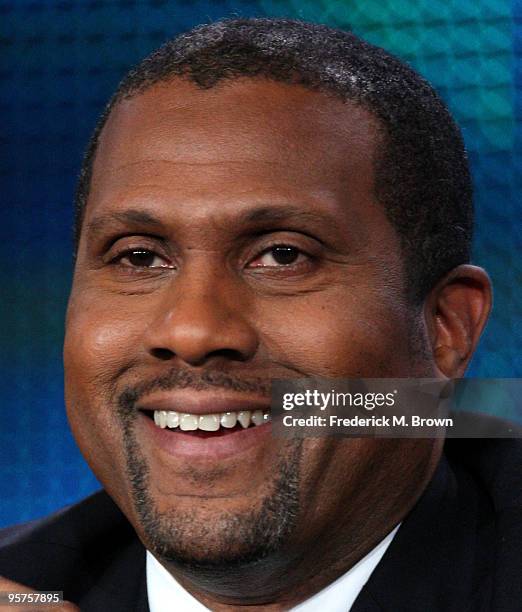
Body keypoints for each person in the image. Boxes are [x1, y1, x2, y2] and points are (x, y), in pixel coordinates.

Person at [0, 17, 519, 612]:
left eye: (283, 255)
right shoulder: (26, 583)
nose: (192, 331)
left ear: (446, 326)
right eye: (139, 257)